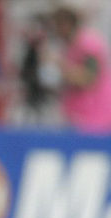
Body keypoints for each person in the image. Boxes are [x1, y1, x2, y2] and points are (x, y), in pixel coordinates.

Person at [50, 5, 111, 133]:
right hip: (75, 115)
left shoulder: (89, 43)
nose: (54, 31)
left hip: (96, 117)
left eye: (57, 26)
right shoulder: (66, 46)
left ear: (66, 24)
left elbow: (88, 78)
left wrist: (59, 65)